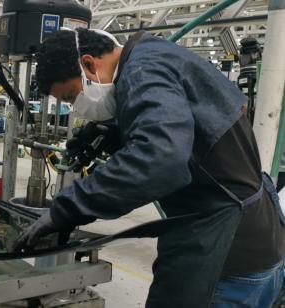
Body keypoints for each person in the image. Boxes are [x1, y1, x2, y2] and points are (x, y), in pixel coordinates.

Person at [14, 28, 285, 308]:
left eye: (71, 97)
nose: (76, 107)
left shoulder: (142, 71)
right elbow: (196, 129)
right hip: (261, 242)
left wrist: (69, 207)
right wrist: (117, 131)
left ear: (89, 64)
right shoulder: (153, 54)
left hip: (225, 258)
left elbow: (160, 158)